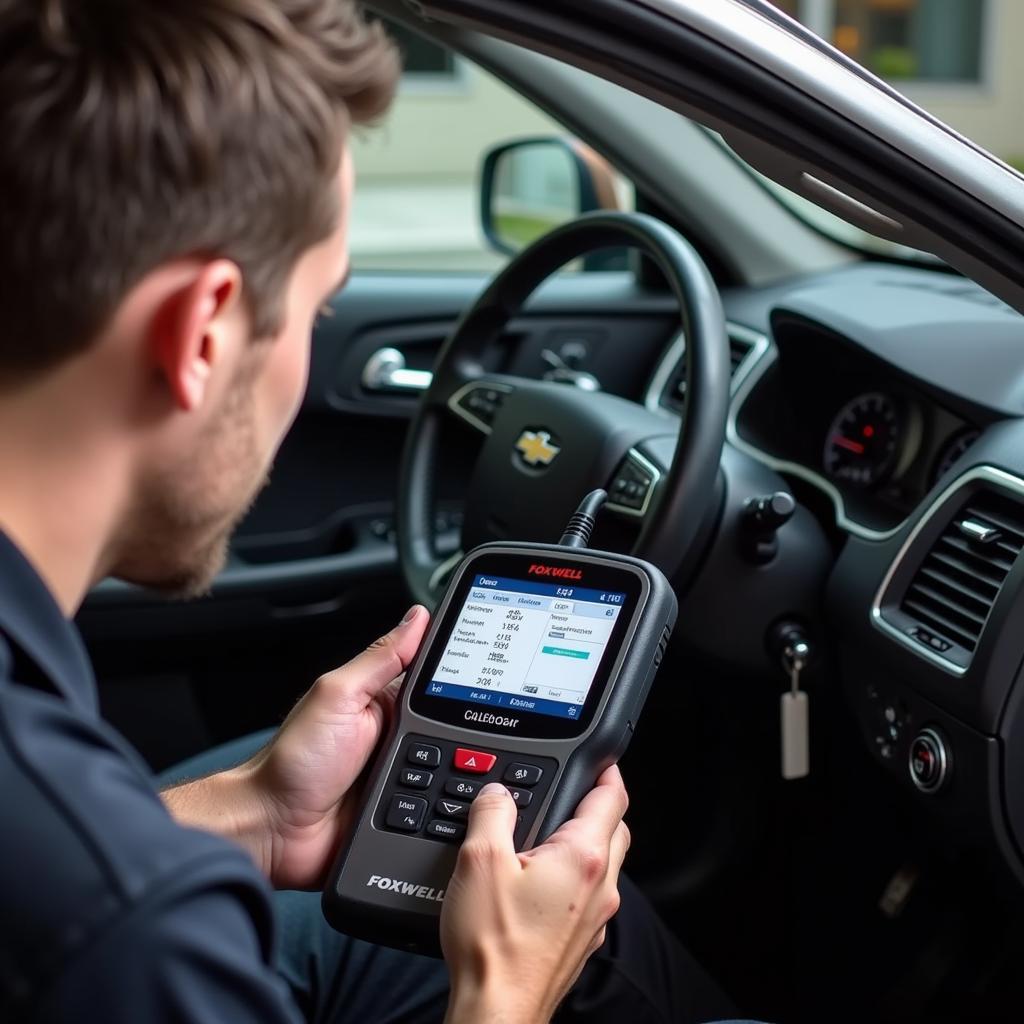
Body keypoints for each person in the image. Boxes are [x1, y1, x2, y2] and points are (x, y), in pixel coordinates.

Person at [0, 2, 748, 1021]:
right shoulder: (131, 935)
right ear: (204, 331)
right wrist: (506, 988)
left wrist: (252, 814)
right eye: (316, 308)